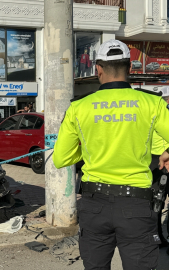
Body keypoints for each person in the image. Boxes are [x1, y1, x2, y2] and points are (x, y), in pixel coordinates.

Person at [53, 39, 169, 270]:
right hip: (137, 204)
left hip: (94, 205)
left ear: (98, 69)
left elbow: (61, 158)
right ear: (130, 68)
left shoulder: (79, 107)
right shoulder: (152, 103)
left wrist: (88, 149)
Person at [150, 86, 169, 248]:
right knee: (156, 201)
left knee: (157, 202)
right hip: (156, 161)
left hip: (162, 158)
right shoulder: (153, 114)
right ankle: (156, 235)